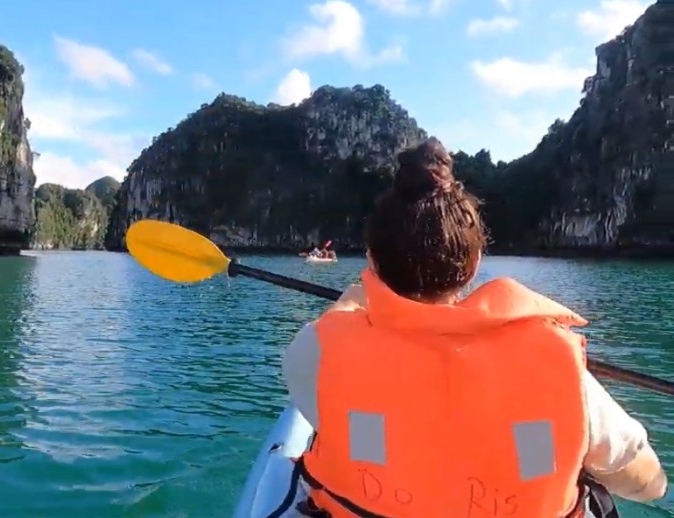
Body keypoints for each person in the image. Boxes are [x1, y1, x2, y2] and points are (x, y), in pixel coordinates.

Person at [281, 139, 666, 517]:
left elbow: (328, 345)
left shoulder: (316, 352)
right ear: (475, 261)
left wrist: (351, 302)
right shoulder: (560, 370)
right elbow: (648, 483)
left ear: (372, 262)